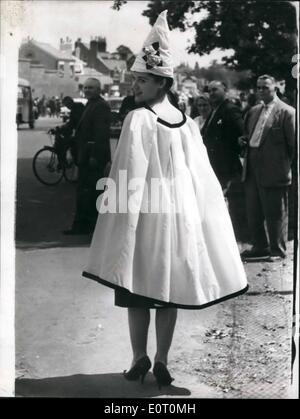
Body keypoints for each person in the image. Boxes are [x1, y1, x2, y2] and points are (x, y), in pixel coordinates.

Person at [83, 10, 247, 388]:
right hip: (179, 214)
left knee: (136, 285)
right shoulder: (186, 123)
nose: (135, 86)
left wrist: (115, 211)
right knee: (169, 288)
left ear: (162, 83)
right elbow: (199, 174)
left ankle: (139, 356)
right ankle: (161, 359)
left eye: (141, 80)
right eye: (136, 80)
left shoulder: (138, 119)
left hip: (147, 213)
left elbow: (128, 170)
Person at [240, 74, 295, 261]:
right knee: (253, 209)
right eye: (259, 87)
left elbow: (294, 145)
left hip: (275, 167)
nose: (261, 90)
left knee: (275, 211)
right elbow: (249, 134)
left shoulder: (287, 112)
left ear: (275, 89)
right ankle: (260, 246)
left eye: (265, 87)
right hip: (253, 164)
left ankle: (277, 249)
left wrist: (285, 167)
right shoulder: (253, 111)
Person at [63, 78, 111, 235]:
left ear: (99, 90)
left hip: (92, 157)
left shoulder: (101, 106)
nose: (88, 90)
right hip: (84, 155)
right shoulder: (90, 105)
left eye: (91, 87)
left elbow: (101, 134)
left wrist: (95, 156)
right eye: (86, 87)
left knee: (91, 192)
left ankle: (90, 227)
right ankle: (81, 226)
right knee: (84, 192)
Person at [201, 81, 244, 196]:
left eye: (215, 90)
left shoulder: (230, 110)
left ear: (225, 91)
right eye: (209, 91)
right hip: (214, 165)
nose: (211, 93)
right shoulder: (215, 110)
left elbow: (242, 134)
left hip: (227, 167)